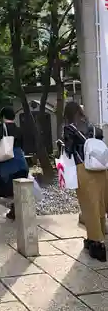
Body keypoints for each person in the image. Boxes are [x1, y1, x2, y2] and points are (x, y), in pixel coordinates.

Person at [63, 101, 107, 262]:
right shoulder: (92, 126)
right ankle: (97, 237)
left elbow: (68, 150)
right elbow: (100, 136)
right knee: (100, 205)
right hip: (101, 170)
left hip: (84, 169)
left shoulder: (70, 128)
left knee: (89, 207)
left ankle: (97, 245)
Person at [0, 106, 29, 220]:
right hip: (21, 162)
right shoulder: (18, 129)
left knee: (7, 189)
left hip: (8, 163)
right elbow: (23, 146)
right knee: (19, 188)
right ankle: (16, 211)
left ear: (3, 117)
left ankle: (15, 210)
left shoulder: (2, 128)